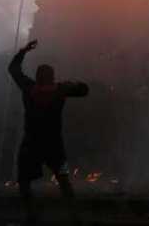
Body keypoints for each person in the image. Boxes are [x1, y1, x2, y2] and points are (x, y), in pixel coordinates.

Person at [8, 40, 89, 225]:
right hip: (54, 145)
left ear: (38, 77)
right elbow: (84, 90)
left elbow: (13, 69)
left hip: (31, 143)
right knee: (63, 179)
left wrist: (23, 51)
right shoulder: (60, 90)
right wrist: (73, 83)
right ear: (52, 77)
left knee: (24, 180)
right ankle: (75, 217)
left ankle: (31, 216)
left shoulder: (29, 88)